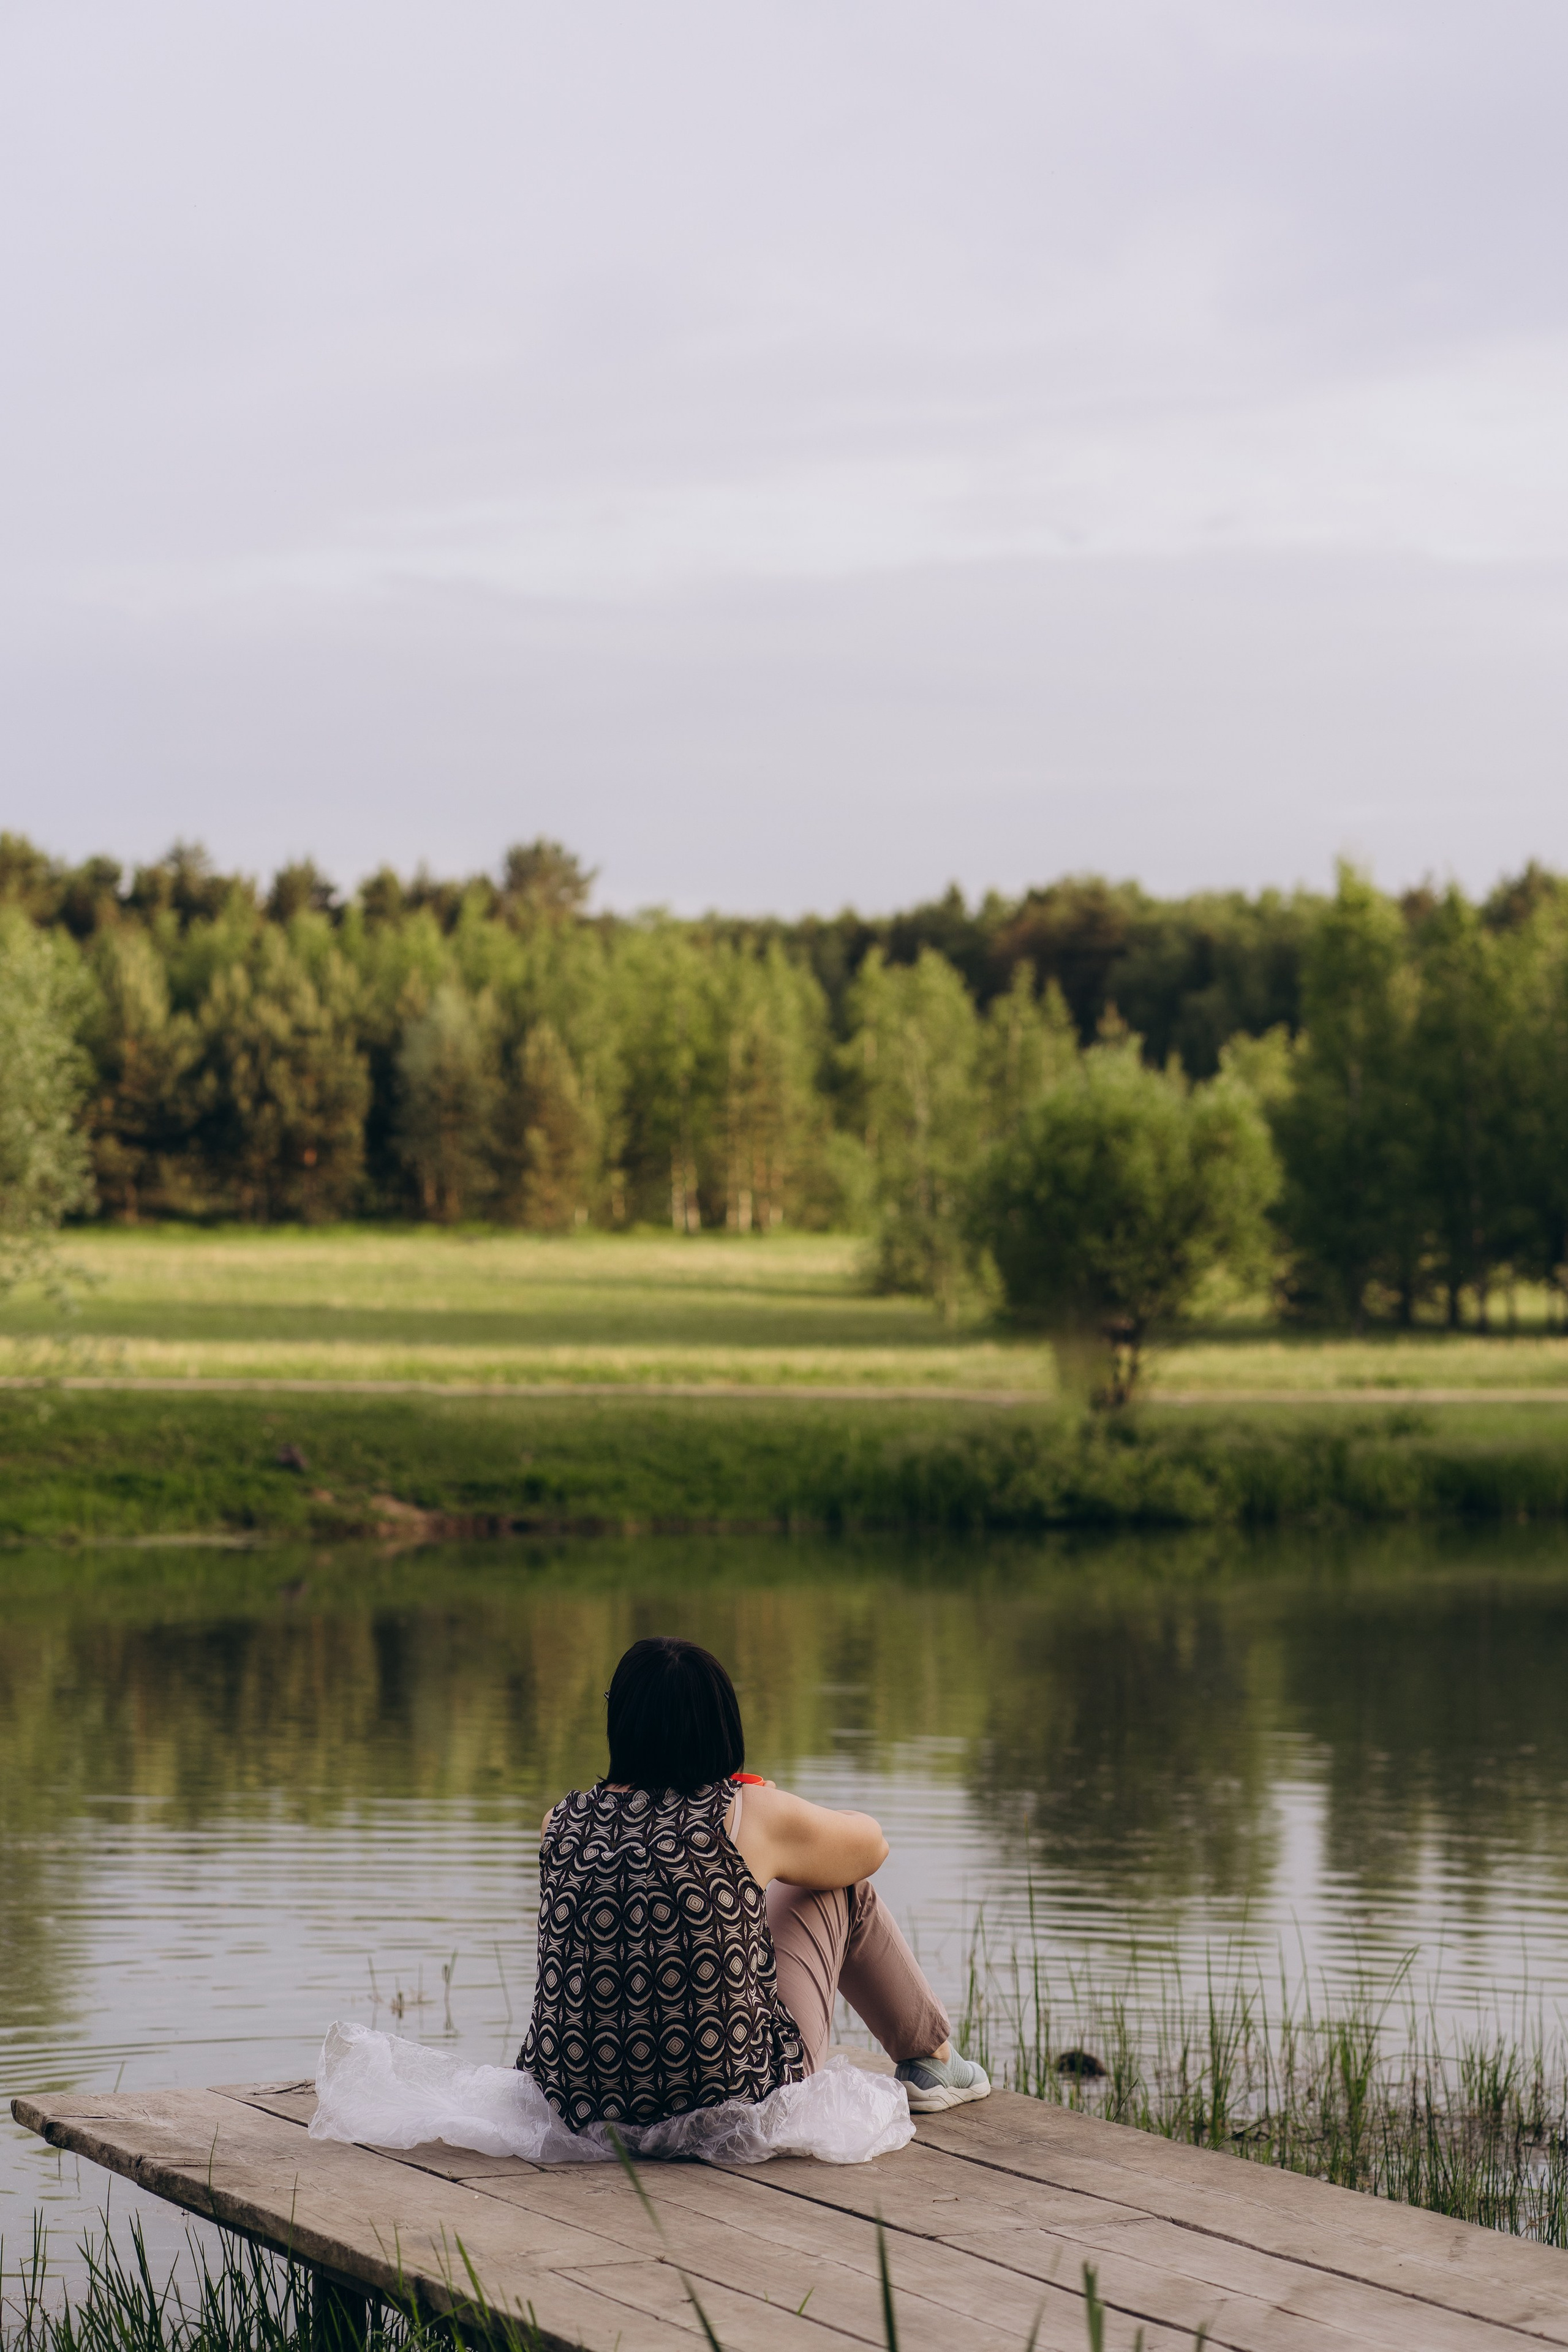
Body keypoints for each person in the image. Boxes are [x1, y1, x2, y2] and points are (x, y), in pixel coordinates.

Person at [517, 1634, 990, 2130]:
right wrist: (781, 1812)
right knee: (841, 1886)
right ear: (718, 1723)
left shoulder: (560, 1822)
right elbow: (872, 1847)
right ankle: (931, 2060)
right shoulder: (744, 1813)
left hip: (573, 2103)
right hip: (733, 2101)